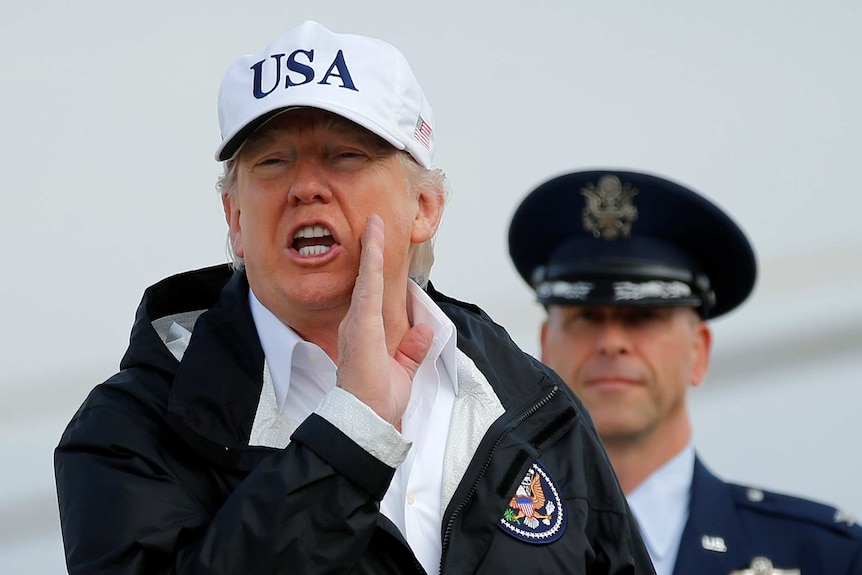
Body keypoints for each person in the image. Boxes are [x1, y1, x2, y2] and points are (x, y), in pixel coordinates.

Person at [54, 22, 654, 575]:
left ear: (424, 207)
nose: (306, 187)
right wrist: (354, 433)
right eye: (272, 161)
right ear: (234, 216)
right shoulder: (127, 429)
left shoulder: (535, 405)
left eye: (346, 156)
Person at [508, 168, 862, 575]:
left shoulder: (825, 557)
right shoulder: (474, 543)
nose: (611, 341)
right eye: (586, 316)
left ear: (700, 351)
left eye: (644, 317)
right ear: (545, 347)